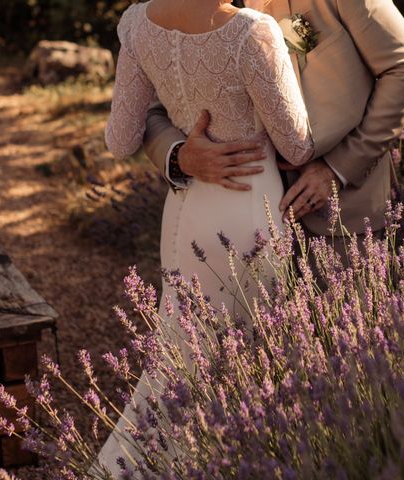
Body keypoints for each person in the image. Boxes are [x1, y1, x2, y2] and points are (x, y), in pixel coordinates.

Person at [97, 0, 314, 475]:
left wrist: (182, 141)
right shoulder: (252, 31)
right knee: (250, 358)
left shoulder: (136, 22)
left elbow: (119, 139)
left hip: (184, 209)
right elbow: (296, 143)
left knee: (180, 355)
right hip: (247, 206)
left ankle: (141, 464)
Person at [145, 0, 404, 254]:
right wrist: (179, 156)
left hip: (339, 219)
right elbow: (152, 109)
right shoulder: (192, 7)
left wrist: (338, 168)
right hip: (234, 227)